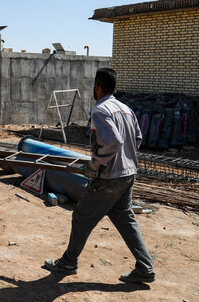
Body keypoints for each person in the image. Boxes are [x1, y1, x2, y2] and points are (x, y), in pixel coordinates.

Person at [43, 68, 155, 283]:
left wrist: (95, 165)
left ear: (97, 86)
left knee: (81, 217)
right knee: (125, 219)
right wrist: (124, 159)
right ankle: (145, 268)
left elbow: (113, 141)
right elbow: (137, 139)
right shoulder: (126, 109)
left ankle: (68, 262)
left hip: (109, 178)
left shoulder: (100, 110)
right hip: (128, 174)